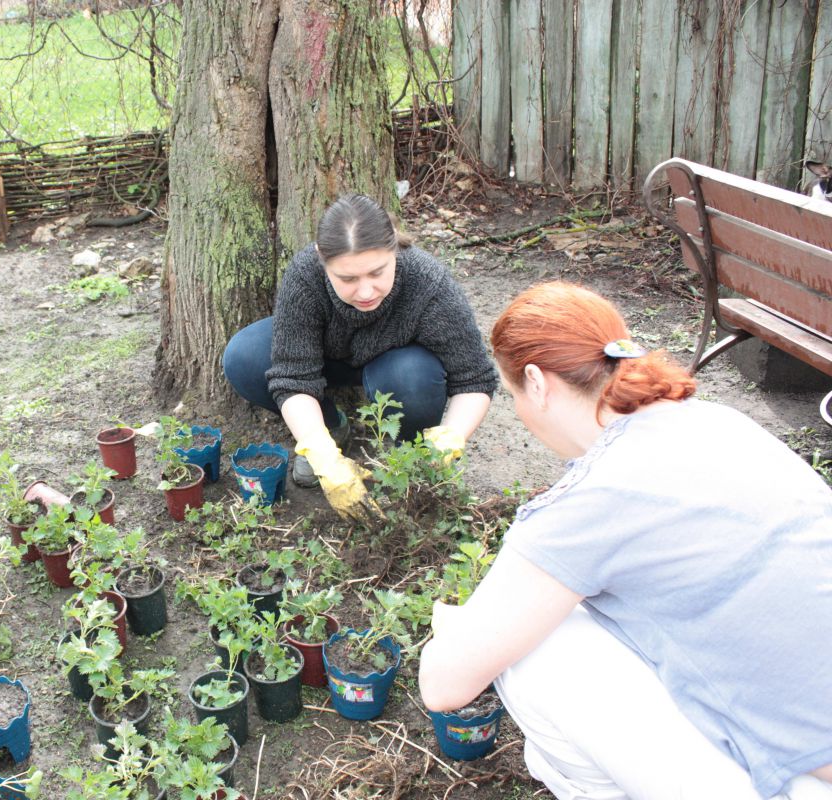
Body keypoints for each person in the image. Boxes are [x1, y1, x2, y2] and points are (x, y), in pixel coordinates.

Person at [418, 282, 832, 799]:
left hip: (805, 784)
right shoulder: (719, 421)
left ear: (536, 383)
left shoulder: (591, 499)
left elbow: (443, 686)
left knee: (533, 653)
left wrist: (460, 628)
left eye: (514, 395)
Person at [222, 194, 496, 521]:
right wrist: (322, 454)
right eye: (348, 279)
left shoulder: (426, 281)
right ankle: (330, 428)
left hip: (396, 368)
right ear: (322, 259)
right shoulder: (305, 275)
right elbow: (292, 377)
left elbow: (475, 379)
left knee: (413, 377)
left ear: (394, 249)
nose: (365, 292)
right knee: (245, 357)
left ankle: (410, 456)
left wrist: (451, 440)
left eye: (377, 273)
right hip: (326, 360)